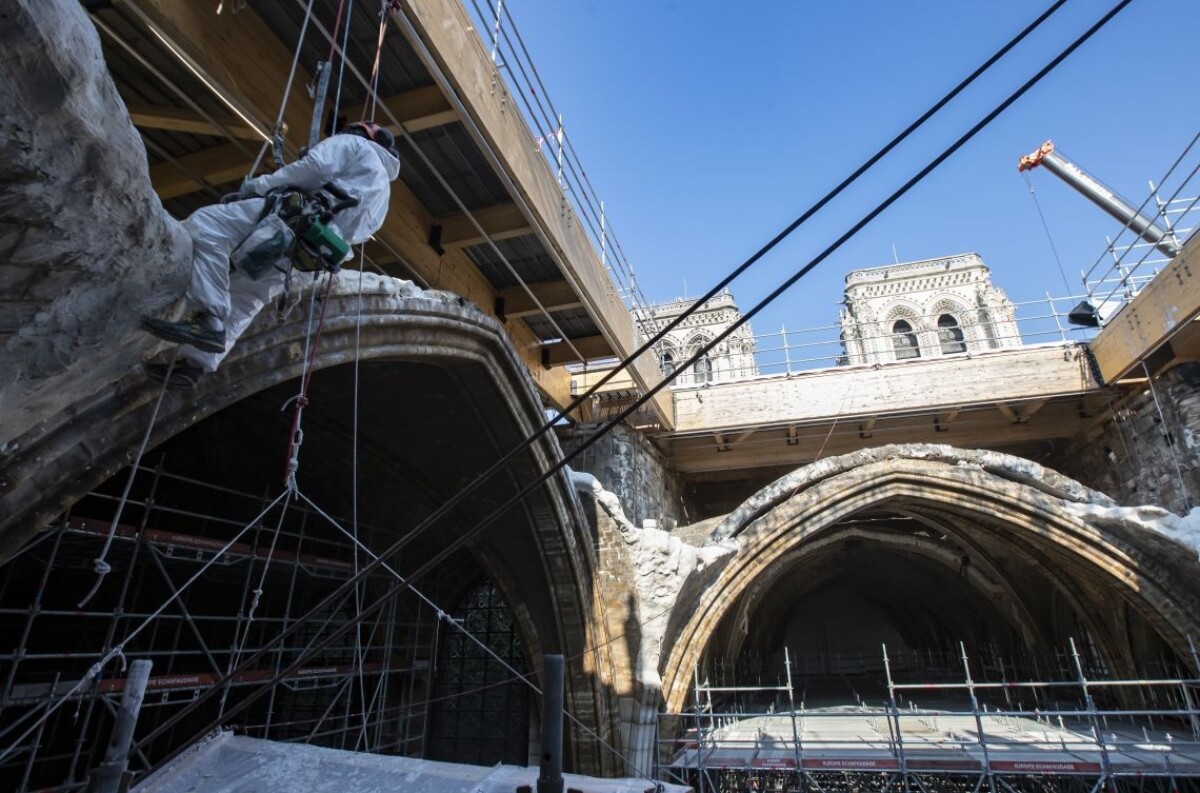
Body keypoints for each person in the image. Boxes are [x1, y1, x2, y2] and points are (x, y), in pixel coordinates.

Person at [141, 120, 401, 387]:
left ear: (367, 133)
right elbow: (357, 232)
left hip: (290, 220)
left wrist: (260, 185)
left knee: (207, 225)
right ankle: (195, 366)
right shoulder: (384, 192)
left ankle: (209, 317)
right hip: (308, 251)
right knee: (247, 294)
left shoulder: (356, 145)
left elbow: (314, 168)